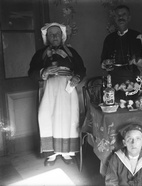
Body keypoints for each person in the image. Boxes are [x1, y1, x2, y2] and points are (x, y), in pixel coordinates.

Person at [28, 22, 86, 166]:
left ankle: (67, 153)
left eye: (57, 34)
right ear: (47, 37)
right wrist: (44, 72)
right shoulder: (40, 54)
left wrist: (77, 77)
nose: (55, 37)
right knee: (47, 117)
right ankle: (51, 153)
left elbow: (81, 69)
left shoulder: (72, 53)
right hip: (48, 88)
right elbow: (31, 73)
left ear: (62, 36)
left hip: (68, 88)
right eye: (51, 34)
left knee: (68, 118)